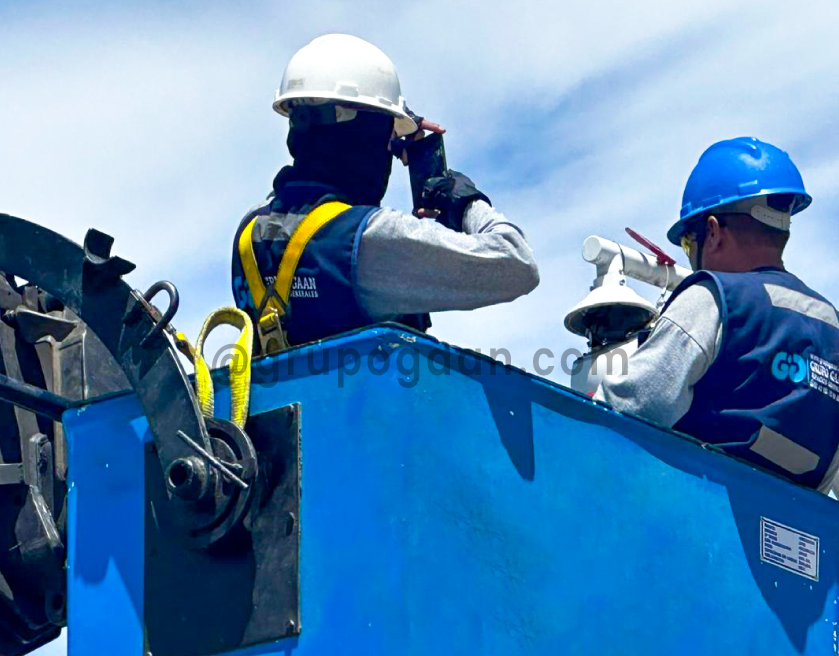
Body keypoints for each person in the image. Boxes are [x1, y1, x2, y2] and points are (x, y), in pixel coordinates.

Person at [231, 33, 538, 354]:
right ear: (364, 134)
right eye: (386, 140)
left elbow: (299, 225)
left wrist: (383, 125)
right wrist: (462, 201)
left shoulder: (249, 233)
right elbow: (517, 263)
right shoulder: (369, 239)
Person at [596, 137, 839, 493]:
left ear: (711, 231)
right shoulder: (832, 327)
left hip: (692, 520)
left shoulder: (713, 298)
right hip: (792, 542)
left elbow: (630, 404)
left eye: (687, 244)